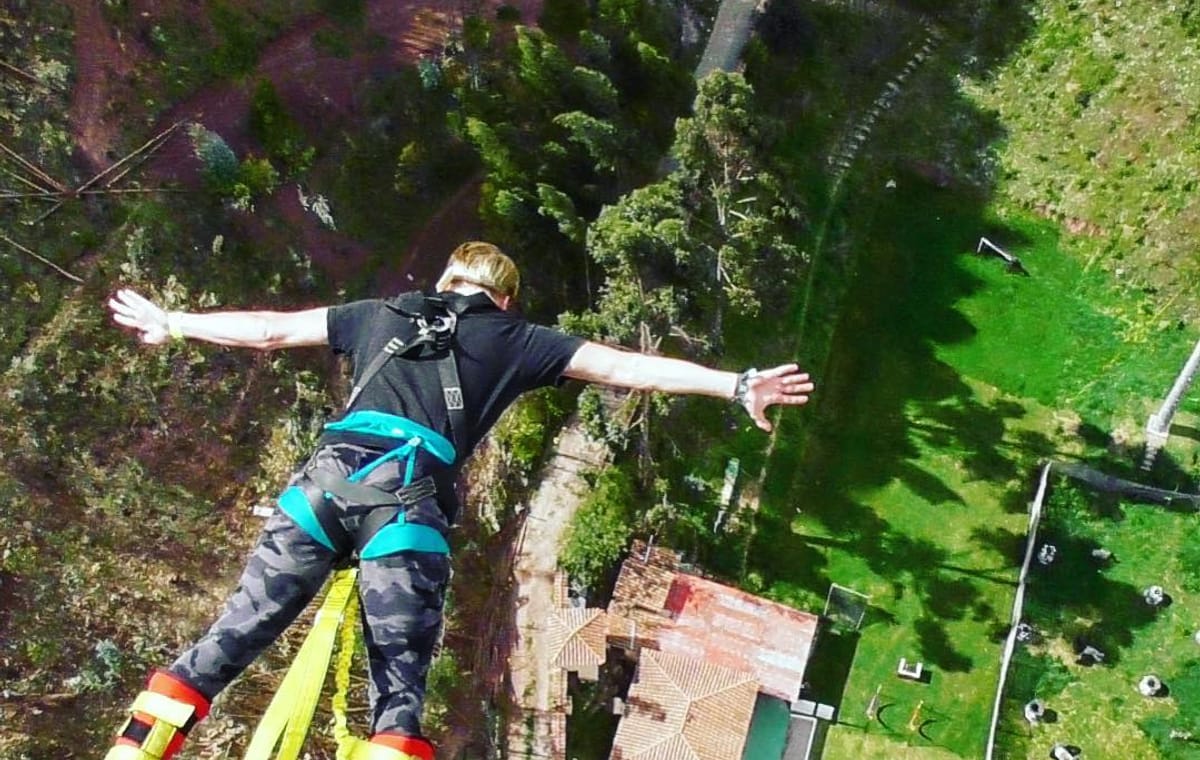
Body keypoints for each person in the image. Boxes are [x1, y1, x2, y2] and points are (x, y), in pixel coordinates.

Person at [104, 241, 814, 760]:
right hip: (406, 508)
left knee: (232, 635)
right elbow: (630, 369)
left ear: (446, 279)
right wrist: (735, 384)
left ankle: (138, 747)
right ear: (504, 299)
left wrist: (173, 322)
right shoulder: (519, 339)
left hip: (323, 487)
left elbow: (269, 331)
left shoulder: (378, 312)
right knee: (397, 692)